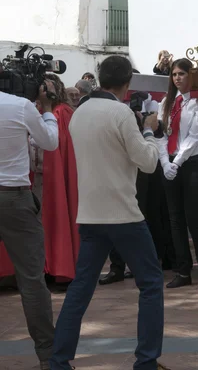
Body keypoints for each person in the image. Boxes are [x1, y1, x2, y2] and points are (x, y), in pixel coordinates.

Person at [49, 56, 165, 370]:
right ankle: (146, 362)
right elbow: (148, 162)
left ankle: (59, 361)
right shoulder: (122, 113)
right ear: (128, 85)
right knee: (151, 284)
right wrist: (151, 132)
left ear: (101, 78)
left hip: (90, 214)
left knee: (80, 289)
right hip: (124, 214)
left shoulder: (79, 113)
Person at [0, 80, 59, 370]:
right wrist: (47, 109)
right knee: (32, 281)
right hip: (15, 197)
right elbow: (49, 142)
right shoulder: (20, 106)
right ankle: (48, 357)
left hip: (16, 198)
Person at [158, 58, 198, 290]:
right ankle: (183, 271)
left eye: (182, 73)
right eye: (174, 74)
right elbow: (161, 133)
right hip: (170, 164)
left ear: (191, 76)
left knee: (194, 218)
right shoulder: (166, 102)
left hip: (192, 163)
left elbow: (195, 136)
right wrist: (165, 163)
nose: (178, 78)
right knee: (175, 219)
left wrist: (177, 162)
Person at [32, 74, 79, 283]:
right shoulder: (59, 112)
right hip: (45, 175)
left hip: (51, 177)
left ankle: (56, 269)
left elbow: (53, 147)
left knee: (51, 221)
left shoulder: (59, 113)